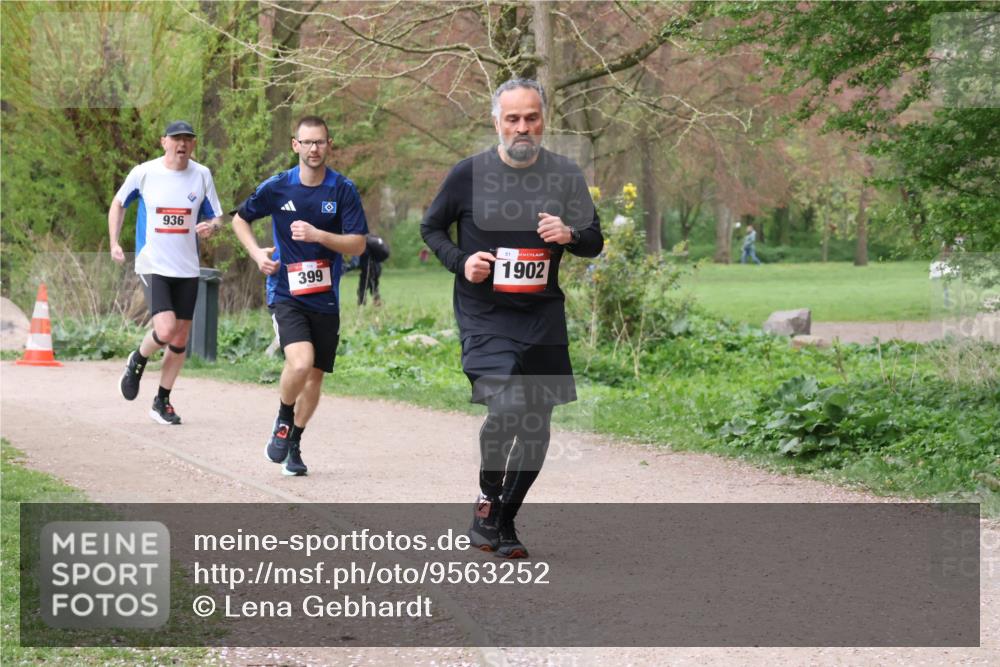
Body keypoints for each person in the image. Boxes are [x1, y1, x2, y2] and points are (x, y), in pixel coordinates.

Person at [421, 78, 603, 558]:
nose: (522, 128)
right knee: (505, 408)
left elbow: (594, 239)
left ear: (543, 119)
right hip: (485, 315)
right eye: (513, 119)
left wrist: (568, 234)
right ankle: (487, 500)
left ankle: (505, 519)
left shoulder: (565, 175)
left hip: (542, 316)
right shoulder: (468, 174)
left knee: (537, 424)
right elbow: (432, 226)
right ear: (496, 122)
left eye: (532, 118)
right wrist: (462, 262)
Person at [231, 116, 368, 476]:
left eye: (319, 142)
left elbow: (357, 243)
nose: (313, 149)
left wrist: (319, 235)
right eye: (306, 143)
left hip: (325, 298)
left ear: (329, 145)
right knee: (301, 363)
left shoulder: (343, 189)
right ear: (295, 145)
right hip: (286, 294)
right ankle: (283, 417)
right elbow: (239, 220)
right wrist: (257, 254)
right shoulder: (278, 187)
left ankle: (295, 441)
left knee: (316, 377)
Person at [109, 120, 224, 425]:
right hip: (153, 264)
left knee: (180, 337)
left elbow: (218, 216)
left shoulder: (202, 175)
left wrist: (210, 227)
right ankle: (139, 358)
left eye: (188, 139)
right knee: (165, 330)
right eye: (176, 139)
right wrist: (114, 242)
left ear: (194, 144)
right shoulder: (145, 172)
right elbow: (119, 203)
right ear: (164, 142)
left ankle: (162, 401)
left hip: (186, 267)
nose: (182, 144)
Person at [357, 233, 389, 306]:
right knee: (374, 287)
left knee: (363, 287)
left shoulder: (364, 243)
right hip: (377, 268)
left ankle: (361, 305)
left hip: (369, 268)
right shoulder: (372, 240)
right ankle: (377, 303)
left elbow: (364, 258)